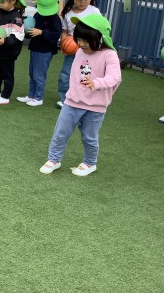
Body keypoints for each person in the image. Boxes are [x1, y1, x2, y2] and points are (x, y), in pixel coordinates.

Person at [39, 14, 121, 177]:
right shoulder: (79, 52)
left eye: (86, 40)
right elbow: (78, 74)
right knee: (60, 132)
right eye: (79, 39)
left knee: (89, 137)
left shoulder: (109, 55)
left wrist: (96, 83)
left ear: (100, 38)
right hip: (72, 102)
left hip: (96, 107)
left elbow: (115, 77)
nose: (81, 43)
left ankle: (90, 163)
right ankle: (54, 159)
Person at [56, 0, 101, 108]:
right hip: (71, 51)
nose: (83, 1)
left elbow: (99, 30)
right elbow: (65, 30)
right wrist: (64, 44)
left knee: (85, 76)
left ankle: (83, 99)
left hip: (88, 51)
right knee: (65, 75)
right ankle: (65, 99)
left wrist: (93, 46)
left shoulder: (94, 11)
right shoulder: (68, 12)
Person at [16, 0, 62, 107]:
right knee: (32, 73)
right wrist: (26, 30)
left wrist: (41, 32)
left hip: (46, 51)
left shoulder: (55, 19)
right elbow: (31, 31)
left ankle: (38, 97)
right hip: (35, 48)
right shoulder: (37, 15)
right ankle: (31, 95)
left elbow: (56, 35)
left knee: (39, 74)